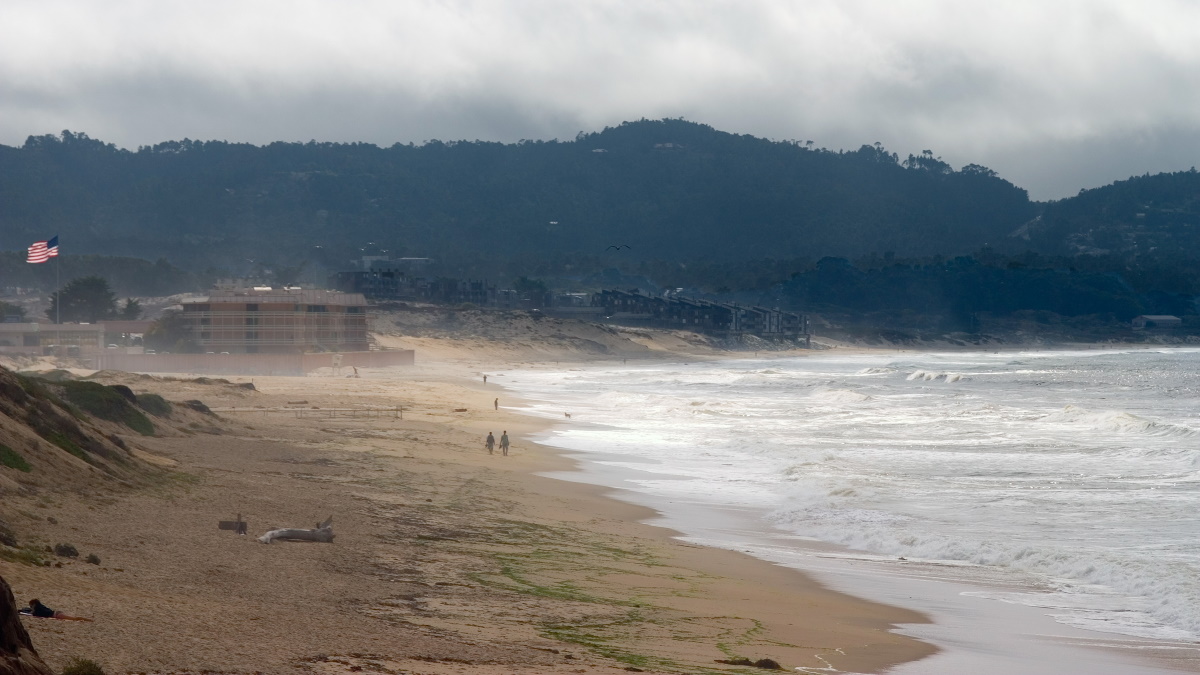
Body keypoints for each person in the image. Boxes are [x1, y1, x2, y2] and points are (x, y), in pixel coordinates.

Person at [25, 599, 92, 621]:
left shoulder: (39, 609)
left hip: (57, 615)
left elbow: (39, 613)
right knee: (73, 618)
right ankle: (88, 620)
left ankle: (88, 620)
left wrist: (32, 611)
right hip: (57, 613)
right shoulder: (40, 607)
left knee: (74, 619)